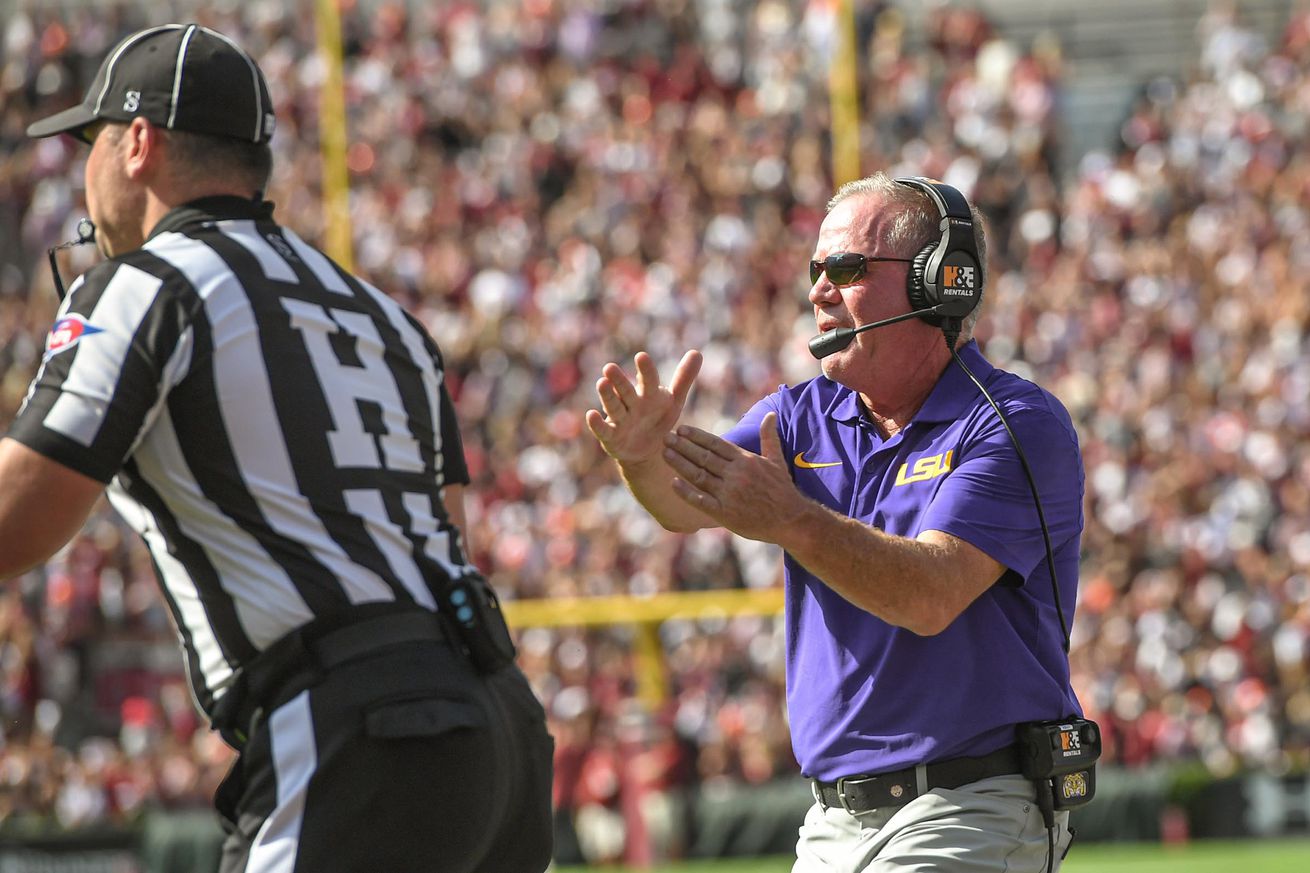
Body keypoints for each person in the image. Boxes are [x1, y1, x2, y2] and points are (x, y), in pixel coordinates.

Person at [5, 23, 553, 873]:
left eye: (90, 139)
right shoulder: (385, 317)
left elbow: (18, 519)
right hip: (496, 723)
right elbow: (449, 538)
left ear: (137, 143)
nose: (82, 168)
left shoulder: (147, 282)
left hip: (356, 726)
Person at [587, 172, 1088, 871]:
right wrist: (639, 462)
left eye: (847, 268)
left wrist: (794, 520)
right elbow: (677, 501)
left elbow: (929, 595)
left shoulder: (1016, 422)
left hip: (969, 800)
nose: (819, 289)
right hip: (832, 818)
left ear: (939, 282)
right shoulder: (798, 415)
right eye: (815, 269)